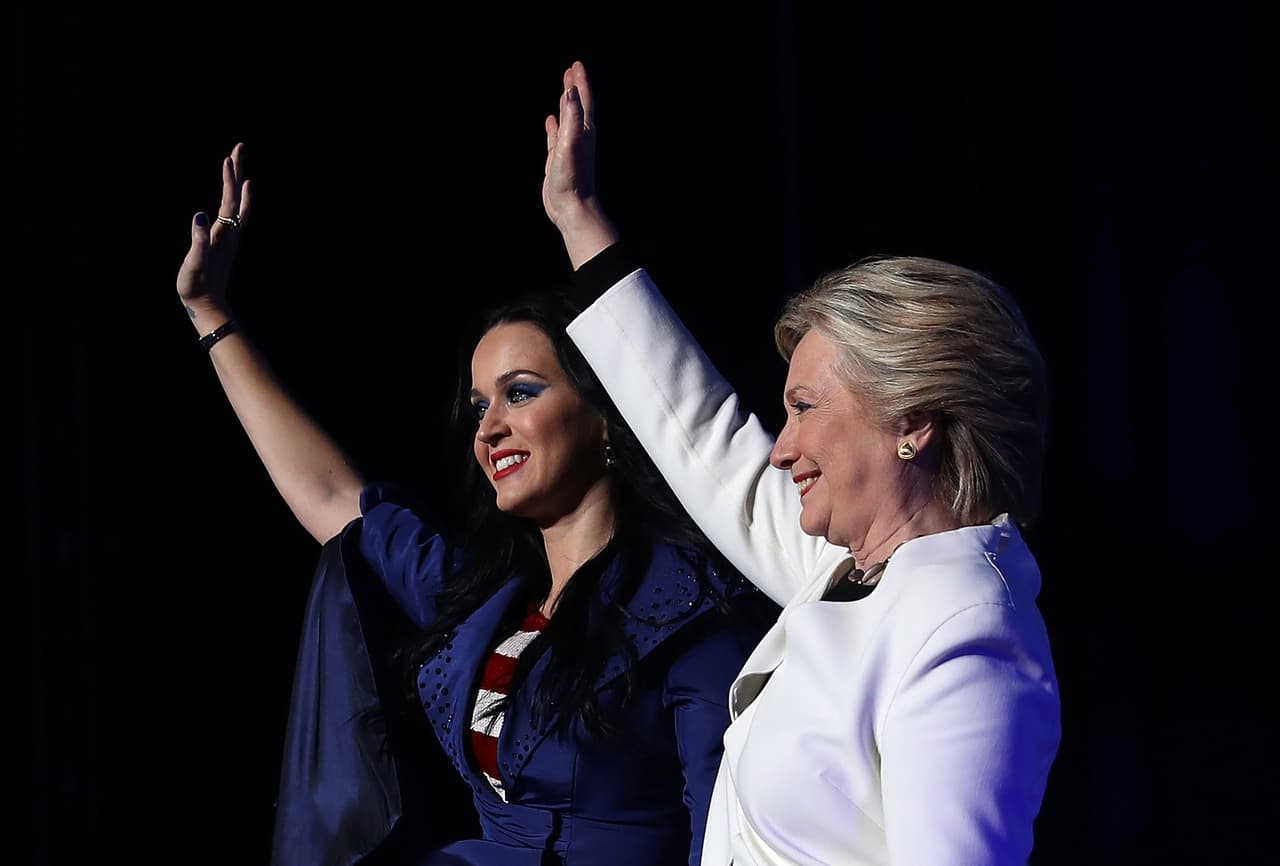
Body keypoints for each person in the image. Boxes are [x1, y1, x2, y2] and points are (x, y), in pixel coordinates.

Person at [174, 143, 776, 866]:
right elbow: (332, 496)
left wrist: (578, 216)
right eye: (479, 404)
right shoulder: (483, 597)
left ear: (606, 416)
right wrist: (212, 316)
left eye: (521, 392)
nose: (489, 426)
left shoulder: (687, 610)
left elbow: (729, 830)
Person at [540, 62, 1062, 865]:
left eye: (805, 409)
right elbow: (708, 442)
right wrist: (580, 224)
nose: (781, 448)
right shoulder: (848, 574)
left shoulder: (964, 634)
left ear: (912, 422)